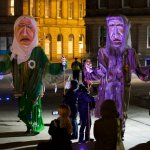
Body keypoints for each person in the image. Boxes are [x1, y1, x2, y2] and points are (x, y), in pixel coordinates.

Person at [84, 14, 150, 138]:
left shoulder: (129, 53)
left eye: (119, 26)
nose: (115, 32)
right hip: (107, 94)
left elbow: (141, 73)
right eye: (111, 26)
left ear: (125, 29)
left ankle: (119, 136)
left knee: (119, 123)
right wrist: (88, 72)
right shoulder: (103, 52)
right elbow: (101, 73)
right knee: (107, 124)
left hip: (122, 95)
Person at [0, 16, 65, 135]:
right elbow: (4, 66)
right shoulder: (14, 52)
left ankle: (36, 127)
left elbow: (48, 67)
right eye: (20, 27)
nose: (24, 32)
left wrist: (61, 65)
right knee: (23, 110)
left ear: (35, 31)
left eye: (29, 27)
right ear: (15, 31)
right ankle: (29, 126)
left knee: (34, 109)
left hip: (35, 88)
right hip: (21, 88)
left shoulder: (38, 52)